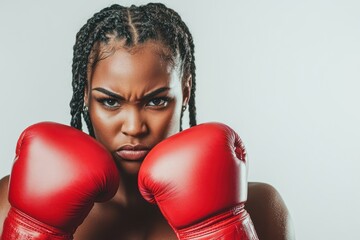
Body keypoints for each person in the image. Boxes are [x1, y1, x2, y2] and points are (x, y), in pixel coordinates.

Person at [0, 3, 295, 240]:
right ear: (86, 96)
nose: (133, 126)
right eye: (110, 101)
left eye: (156, 101)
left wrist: (222, 228)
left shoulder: (258, 206)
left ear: (186, 92)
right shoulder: (11, 202)